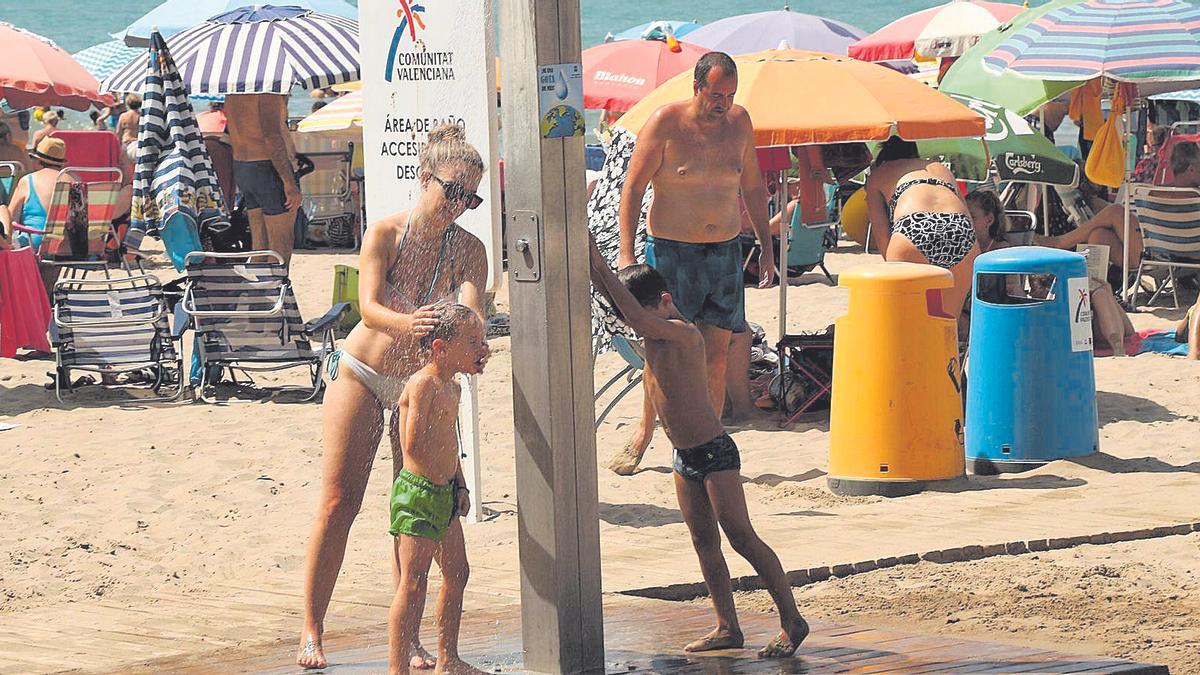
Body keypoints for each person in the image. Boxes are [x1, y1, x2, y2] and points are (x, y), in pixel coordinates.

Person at [297, 124, 489, 670]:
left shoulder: (468, 249)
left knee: (413, 511)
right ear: (424, 177)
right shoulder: (384, 233)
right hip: (363, 370)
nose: (459, 204)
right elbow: (371, 307)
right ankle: (312, 628)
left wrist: (475, 333)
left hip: (417, 386)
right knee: (340, 502)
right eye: (452, 190)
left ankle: (410, 642)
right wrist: (416, 322)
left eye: (470, 197)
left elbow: (474, 312)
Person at [589, 238, 809, 658]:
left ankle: (792, 619)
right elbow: (627, 310)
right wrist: (591, 266)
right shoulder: (652, 336)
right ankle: (728, 626)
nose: (634, 325)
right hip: (683, 458)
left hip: (714, 451)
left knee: (742, 537)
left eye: (640, 317)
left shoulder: (683, 334)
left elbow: (633, 312)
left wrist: (599, 259)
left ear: (665, 301)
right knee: (703, 542)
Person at [609, 52, 776, 474]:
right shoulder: (667, 122)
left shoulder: (740, 123)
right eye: (716, 94)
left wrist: (766, 245)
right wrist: (627, 255)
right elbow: (631, 189)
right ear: (697, 87)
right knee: (663, 351)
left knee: (717, 354)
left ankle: (708, 440)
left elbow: (753, 187)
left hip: (723, 252)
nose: (723, 103)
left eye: (730, 95)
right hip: (671, 251)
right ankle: (642, 436)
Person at [388, 302, 489, 675]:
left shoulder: (454, 386)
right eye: (472, 342)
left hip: (444, 490)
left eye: (481, 340)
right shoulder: (423, 383)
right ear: (440, 348)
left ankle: (448, 658)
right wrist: (439, 483)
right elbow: (412, 446)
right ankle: (397, 669)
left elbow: (449, 439)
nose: (481, 349)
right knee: (413, 584)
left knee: (458, 572)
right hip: (418, 494)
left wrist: (458, 483)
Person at [966, 190, 1135, 354]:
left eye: (971, 217)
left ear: (989, 219)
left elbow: (1013, 293)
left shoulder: (1002, 253)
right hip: (987, 315)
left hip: (1005, 315)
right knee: (1101, 293)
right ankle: (1118, 344)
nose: (965, 222)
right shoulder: (965, 249)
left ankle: (1119, 351)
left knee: (1100, 292)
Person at [865, 136, 980, 322]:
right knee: (948, 323)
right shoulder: (939, 167)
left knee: (909, 322)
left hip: (914, 225)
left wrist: (894, 263)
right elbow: (966, 214)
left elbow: (881, 236)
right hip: (959, 229)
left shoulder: (878, 174)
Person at [224, 94, 302, 264]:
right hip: (266, 167)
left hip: (243, 165)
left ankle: (258, 289)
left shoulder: (232, 95)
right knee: (281, 241)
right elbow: (271, 136)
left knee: (259, 243)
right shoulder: (268, 94)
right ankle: (275, 287)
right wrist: (289, 182)